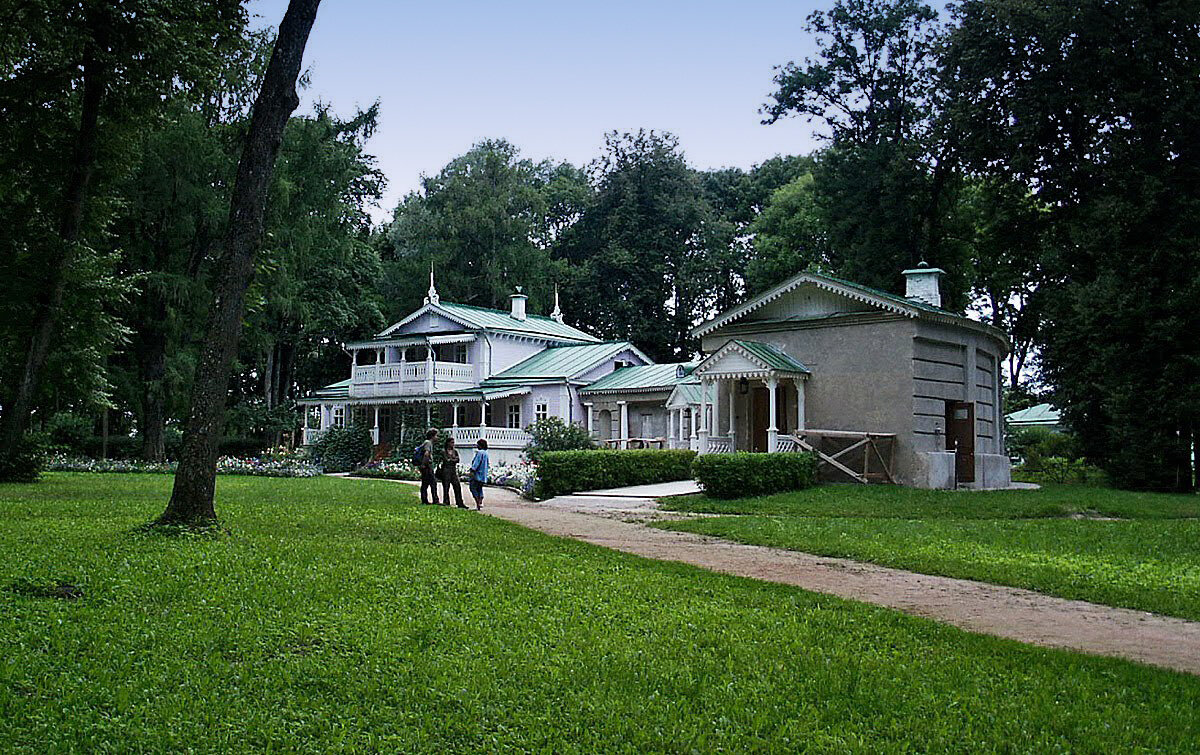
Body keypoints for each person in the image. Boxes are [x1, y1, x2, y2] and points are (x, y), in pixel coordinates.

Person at [439, 436, 467, 509]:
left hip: (453, 470)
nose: (453, 444)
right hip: (446, 470)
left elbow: (457, 460)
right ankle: (446, 501)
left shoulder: (455, 451)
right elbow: (446, 460)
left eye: (453, 442)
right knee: (446, 487)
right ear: (448, 443)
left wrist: (451, 460)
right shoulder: (444, 451)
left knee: (457, 486)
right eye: (451, 442)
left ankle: (460, 502)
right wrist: (452, 460)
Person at [418, 429, 440, 505]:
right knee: (432, 483)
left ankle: (425, 499)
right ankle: (433, 500)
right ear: (432, 436)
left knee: (426, 483)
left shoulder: (427, 443)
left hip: (426, 465)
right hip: (427, 465)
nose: (437, 437)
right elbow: (426, 454)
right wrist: (424, 464)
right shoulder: (428, 443)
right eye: (436, 435)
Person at [468, 438, 489, 510]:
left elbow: (476, 463)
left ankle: (478, 503)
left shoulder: (480, 453)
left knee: (473, 488)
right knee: (479, 488)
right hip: (483, 475)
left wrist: (472, 470)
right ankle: (480, 501)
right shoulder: (486, 453)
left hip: (477, 474)